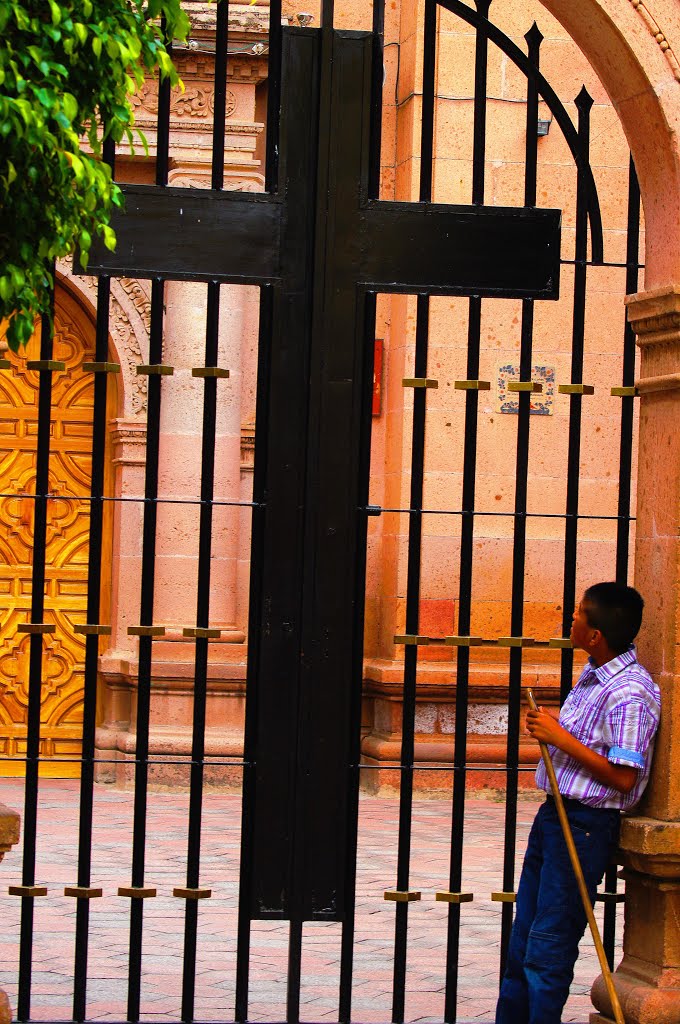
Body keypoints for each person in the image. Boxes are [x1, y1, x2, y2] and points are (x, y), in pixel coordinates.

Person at [495, 582, 661, 1024]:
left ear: (595, 635)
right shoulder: (593, 673)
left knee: (546, 948)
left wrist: (560, 738)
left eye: (578, 615)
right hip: (555, 816)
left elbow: (624, 777)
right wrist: (555, 729)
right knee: (522, 942)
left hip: (586, 825)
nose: (570, 619)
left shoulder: (631, 692)